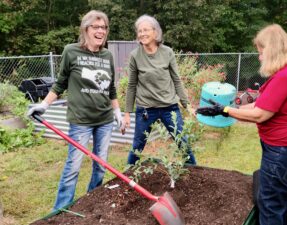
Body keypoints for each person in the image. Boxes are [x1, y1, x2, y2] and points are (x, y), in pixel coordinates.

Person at [197, 24, 287, 225]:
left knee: (270, 203)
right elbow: (260, 105)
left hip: (282, 152)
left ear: (272, 50)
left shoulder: (284, 77)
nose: (259, 57)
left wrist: (224, 111)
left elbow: (260, 115)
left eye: (261, 53)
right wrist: (227, 108)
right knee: (284, 198)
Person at [27, 10, 122, 210]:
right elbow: (60, 83)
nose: (101, 31)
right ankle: (61, 209)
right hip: (80, 121)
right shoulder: (71, 51)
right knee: (73, 167)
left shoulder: (107, 55)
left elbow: (111, 88)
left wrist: (118, 112)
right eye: (96, 27)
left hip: (104, 120)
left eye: (104, 27)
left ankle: (91, 202)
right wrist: (44, 105)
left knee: (100, 166)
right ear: (85, 29)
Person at [122, 15, 197, 166]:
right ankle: (127, 176)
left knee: (182, 141)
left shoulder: (167, 52)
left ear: (155, 32)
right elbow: (131, 85)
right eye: (139, 31)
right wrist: (127, 113)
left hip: (169, 108)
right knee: (137, 145)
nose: (142, 33)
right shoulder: (135, 56)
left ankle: (195, 172)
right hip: (145, 110)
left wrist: (186, 104)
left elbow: (176, 80)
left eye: (145, 30)